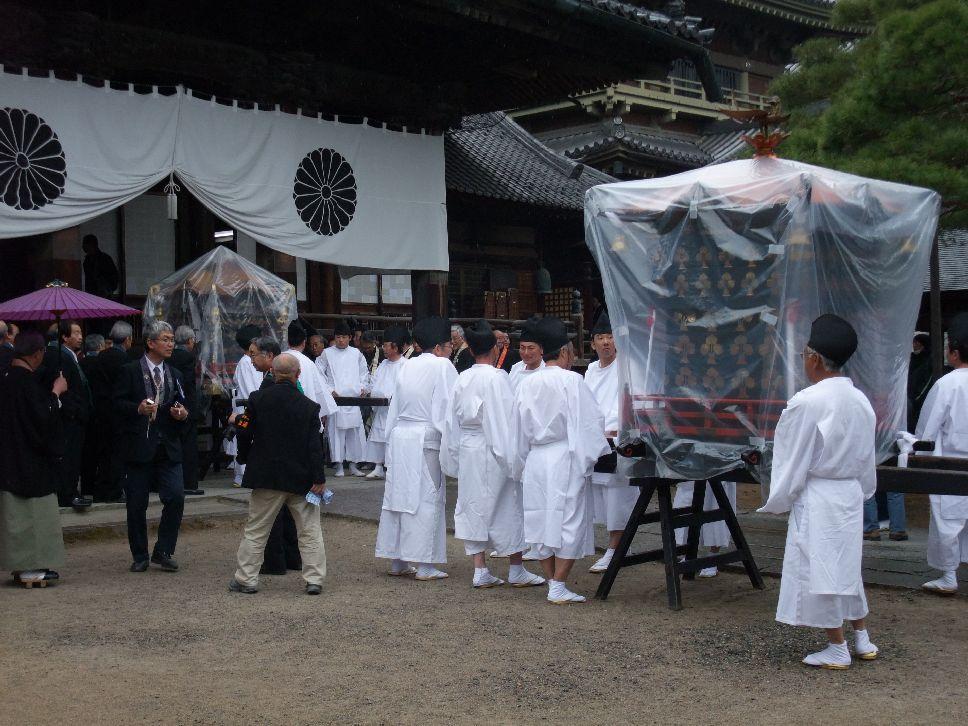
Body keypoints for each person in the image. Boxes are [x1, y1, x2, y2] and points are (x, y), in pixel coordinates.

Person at [758, 314, 879, 669]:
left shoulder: (808, 401)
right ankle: (862, 637)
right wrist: (863, 489)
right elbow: (867, 456)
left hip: (821, 493)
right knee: (847, 567)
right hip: (849, 492)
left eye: (804, 355)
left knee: (821, 568)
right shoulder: (859, 399)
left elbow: (793, 457)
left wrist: (780, 497)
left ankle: (837, 646)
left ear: (814, 359)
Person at [511, 317, 610, 604]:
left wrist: (521, 461)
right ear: (565, 352)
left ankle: (554, 581)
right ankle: (558, 583)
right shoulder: (572, 380)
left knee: (540, 517)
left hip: (536, 457)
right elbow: (591, 421)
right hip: (564, 455)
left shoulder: (526, 383)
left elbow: (516, 428)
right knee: (569, 518)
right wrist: (591, 456)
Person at [448, 320, 545, 589]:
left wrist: (454, 452)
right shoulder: (497, 377)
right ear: (494, 349)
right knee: (508, 503)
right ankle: (516, 568)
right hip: (493, 447)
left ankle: (480, 568)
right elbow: (504, 420)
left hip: (469, 447)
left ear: (470, 350)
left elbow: (450, 419)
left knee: (473, 504)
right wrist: (513, 458)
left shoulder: (462, 378)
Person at [229, 353, 328, 595]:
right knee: (309, 530)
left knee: (256, 529)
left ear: (273, 372)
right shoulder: (309, 407)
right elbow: (315, 447)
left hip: (266, 474)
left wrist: (244, 457)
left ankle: (246, 579)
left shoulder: (257, 399)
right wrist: (319, 478)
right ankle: (314, 579)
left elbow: (244, 429)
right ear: (298, 374)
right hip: (301, 477)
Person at [375, 316, 458, 581]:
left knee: (399, 496)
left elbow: (396, 405)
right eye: (449, 345)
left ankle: (398, 559)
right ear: (439, 347)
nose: (451, 350)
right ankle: (424, 564)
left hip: (401, 435)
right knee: (427, 497)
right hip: (425, 438)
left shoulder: (407, 365)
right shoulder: (442, 366)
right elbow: (447, 406)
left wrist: (390, 438)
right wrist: (452, 442)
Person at [114, 321, 191, 573]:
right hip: (138, 445)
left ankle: (164, 550)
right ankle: (140, 554)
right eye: (165, 339)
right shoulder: (129, 371)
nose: (170, 344)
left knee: (176, 496)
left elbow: (184, 403)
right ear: (150, 342)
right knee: (136, 504)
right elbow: (115, 405)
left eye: (172, 339)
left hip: (168, 444)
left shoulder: (175, 373)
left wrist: (182, 414)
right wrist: (137, 409)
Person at [0, 331, 68, 587]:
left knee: (15, 516)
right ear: (37, 353)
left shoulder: (7, 377)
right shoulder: (26, 382)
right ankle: (31, 566)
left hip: (10, 456)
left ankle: (21, 564)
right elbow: (42, 419)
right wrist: (56, 392)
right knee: (34, 515)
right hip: (31, 460)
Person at [584, 314, 640, 574]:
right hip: (595, 439)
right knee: (600, 495)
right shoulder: (590, 370)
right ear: (593, 343)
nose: (606, 342)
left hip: (618, 438)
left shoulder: (626, 366)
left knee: (618, 495)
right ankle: (616, 544)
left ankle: (614, 548)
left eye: (610, 337)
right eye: (600, 338)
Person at [916, 313, 968, 595]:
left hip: (951, 461)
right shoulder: (948, 383)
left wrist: (918, 447)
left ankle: (949, 575)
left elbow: (928, 428)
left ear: (955, 352)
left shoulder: (948, 384)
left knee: (949, 520)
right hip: (957, 459)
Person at [42, 319, 92, 508]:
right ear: (64, 336)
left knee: (73, 455)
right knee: (68, 456)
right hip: (68, 416)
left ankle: (70, 490)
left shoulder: (69, 355)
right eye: (76, 333)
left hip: (76, 416)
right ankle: (67, 493)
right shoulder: (58, 355)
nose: (80, 337)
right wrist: (74, 411)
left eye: (80, 333)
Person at [317, 320, 369, 477]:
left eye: (344, 337)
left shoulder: (356, 353)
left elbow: (364, 373)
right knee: (336, 434)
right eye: (338, 337)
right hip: (336, 400)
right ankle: (339, 465)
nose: (341, 340)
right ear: (334, 338)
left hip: (353, 399)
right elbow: (319, 373)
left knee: (354, 433)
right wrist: (329, 390)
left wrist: (363, 387)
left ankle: (353, 465)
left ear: (350, 338)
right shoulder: (327, 353)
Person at [364, 326, 408, 480]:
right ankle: (378, 466)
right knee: (378, 436)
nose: (383, 348)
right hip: (381, 408)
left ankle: (392, 467)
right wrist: (370, 391)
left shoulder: (405, 365)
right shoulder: (383, 364)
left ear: (395, 347)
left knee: (392, 438)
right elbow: (374, 381)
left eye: (386, 345)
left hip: (395, 410)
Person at [286, 321, 338, 449]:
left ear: (287, 342)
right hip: (305, 412)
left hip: (283, 412)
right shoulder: (308, 363)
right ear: (304, 343)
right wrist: (323, 412)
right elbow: (319, 390)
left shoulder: (279, 360)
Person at [228, 324, 263, 487]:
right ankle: (241, 475)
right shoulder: (245, 362)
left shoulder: (251, 361)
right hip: (246, 408)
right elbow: (250, 389)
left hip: (252, 405)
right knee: (244, 437)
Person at [79, 333, 109, 501]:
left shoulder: (79, 363)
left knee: (86, 451)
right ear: (100, 347)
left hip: (84, 413)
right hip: (100, 413)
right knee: (100, 451)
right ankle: (98, 486)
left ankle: (86, 486)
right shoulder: (101, 364)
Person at [171, 325, 201, 495]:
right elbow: (189, 385)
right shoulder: (188, 358)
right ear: (190, 341)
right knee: (189, 446)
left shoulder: (170, 355)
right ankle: (189, 483)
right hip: (185, 407)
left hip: (172, 405)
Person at [508, 318, 545, 394]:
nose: (526, 353)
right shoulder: (516, 368)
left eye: (531, 348)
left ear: (541, 349)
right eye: (522, 348)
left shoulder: (546, 371)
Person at [82, 234, 120, 300]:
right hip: (92, 295)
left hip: (104, 295)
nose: (83, 247)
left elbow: (113, 279)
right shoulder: (87, 260)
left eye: (85, 244)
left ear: (92, 245)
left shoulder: (104, 259)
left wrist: (106, 290)